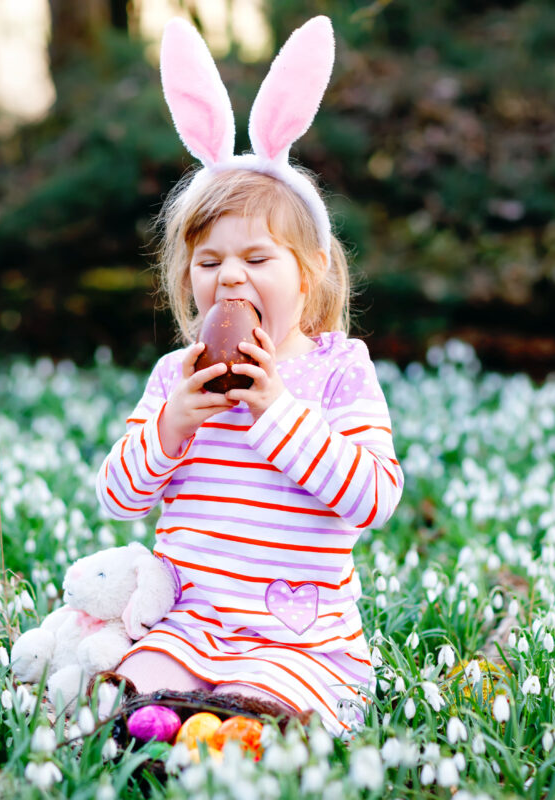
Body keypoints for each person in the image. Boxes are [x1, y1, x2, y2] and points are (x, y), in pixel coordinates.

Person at [94, 15, 404, 736]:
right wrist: (172, 424)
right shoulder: (177, 375)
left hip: (297, 638)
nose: (230, 276)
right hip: (192, 623)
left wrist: (276, 411)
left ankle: (236, 732)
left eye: (256, 259)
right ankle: (162, 730)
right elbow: (117, 494)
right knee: (124, 694)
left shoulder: (336, 373)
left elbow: (375, 499)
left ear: (310, 270)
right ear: (188, 279)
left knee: (259, 701)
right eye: (209, 263)